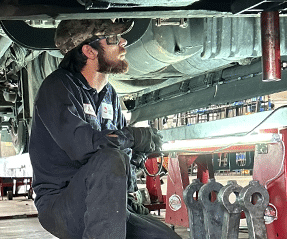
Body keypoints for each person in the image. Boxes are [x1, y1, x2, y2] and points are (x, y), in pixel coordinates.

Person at [28, 19, 182, 239]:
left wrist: (138, 153)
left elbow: (121, 154)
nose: (123, 42)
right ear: (89, 51)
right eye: (112, 39)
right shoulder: (58, 87)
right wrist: (132, 137)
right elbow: (81, 145)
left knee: (166, 238)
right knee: (109, 158)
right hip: (62, 205)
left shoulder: (109, 94)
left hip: (107, 202)